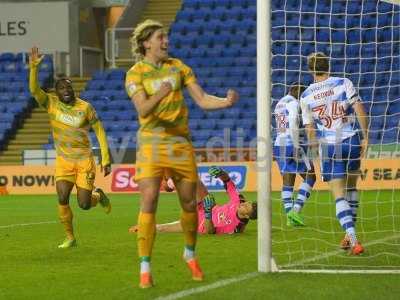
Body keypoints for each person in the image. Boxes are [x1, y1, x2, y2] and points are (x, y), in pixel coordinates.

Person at [125, 20, 239, 288]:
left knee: (189, 203)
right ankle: (145, 267)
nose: (166, 41)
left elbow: (201, 99)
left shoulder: (179, 67)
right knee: (150, 199)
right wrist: (161, 94)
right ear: (146, 43)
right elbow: (142, 109)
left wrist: (225, 102)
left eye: (165, 36)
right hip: (151, 145)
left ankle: (189, 254)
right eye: (160, 37)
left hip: (180, 145)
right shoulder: (135, 74)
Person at [29, 47, 112, 249]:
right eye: (62, 89)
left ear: (73, 89)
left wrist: (106, 157)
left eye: (69, 88)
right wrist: (33, 68)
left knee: (83, 204)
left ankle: (97, 195)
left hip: (84, 161)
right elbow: (34, 90)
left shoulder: (85, 107)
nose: (66, 91)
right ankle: (70, 237)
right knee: (62, 197)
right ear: (56, 92)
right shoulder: (51, 103)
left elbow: (99, 130)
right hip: (64, 161)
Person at [300, 52, 368, 255]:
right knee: (351, 188)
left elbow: (311, 129)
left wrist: (314, 150)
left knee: (339, 195)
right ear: (327, 65)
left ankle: (354, 240)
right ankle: (349, 236)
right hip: (351, 140)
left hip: (330, 147)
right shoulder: (343, 82)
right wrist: (365, 136)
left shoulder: (306, 96)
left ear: (311, 70)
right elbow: (359, 109)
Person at [129, 166, 257, 235]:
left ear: (246, 216)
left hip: (200, 223)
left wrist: (207, 214)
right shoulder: (238, 202)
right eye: (247, 203)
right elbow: (228, 183)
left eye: (246, 207)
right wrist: (221, 173)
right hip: (208, 206)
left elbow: (210, 231)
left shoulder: (235, 227)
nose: (244, 204)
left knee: (162, 229)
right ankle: (168, 181)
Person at [273, 83, 316, 227]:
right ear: (297, 92)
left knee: (287, 181)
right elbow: (292, 122)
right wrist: (297, 145)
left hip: (279, 145)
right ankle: (295, 211)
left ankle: (289, 217)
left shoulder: (279, 103)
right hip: (292, 144)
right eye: (302, 94)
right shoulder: (293, 103)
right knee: (311, 176)